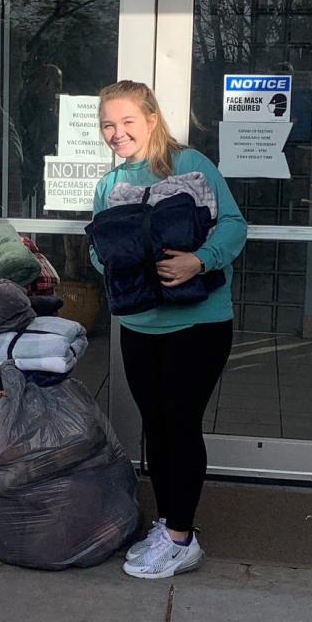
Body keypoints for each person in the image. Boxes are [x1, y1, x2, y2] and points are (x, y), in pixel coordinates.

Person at [90, 80, 247, 580]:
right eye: (108, 125)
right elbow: (97, 249)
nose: (116, 133)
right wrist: (114, 259)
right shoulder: (108, 185)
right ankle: (168, 522)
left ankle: (182, 538)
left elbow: (234, 225)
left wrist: (199, 261)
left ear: (152, 119)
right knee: (155, 428)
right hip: (139, 325)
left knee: (180, 423)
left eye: (126, 122)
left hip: (198, 323)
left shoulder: (193, 165)